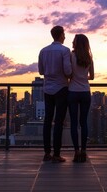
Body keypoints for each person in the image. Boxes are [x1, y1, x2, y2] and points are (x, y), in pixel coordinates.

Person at [38, 25, 72, 163]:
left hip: (47, 89)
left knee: (47, 120)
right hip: (61, 88)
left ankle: (47, 153)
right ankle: (57, 154)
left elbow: (41, 71)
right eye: (64, 34)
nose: (65, 37)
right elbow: (68, 71)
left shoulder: (43, 51)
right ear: (61, 35)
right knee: (59, 121)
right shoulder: (65, 50)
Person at [68, 34, 94, 163]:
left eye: (74, 41)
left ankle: (76, 151)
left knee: (74, 123)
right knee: (83, 123)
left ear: (77, 43)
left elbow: (68, 73)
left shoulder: (71, 56)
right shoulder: (89, 58)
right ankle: (84, 151)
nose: (72, 42)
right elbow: (92, 77)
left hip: (72, 91)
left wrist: (74, 78)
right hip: (85, 92)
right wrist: (83, 78)